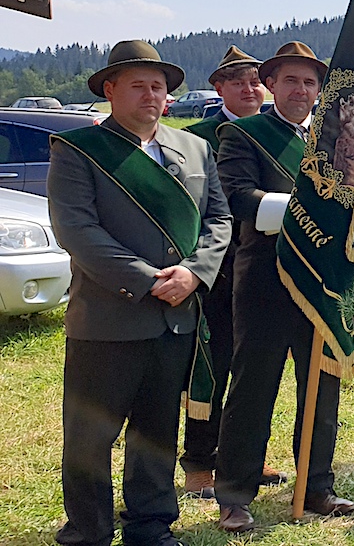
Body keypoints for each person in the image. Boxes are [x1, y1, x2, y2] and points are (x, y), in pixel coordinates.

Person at [49, 40, 233, 546]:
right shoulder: (79, 150)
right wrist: (147, 280)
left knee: (156, 430)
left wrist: (194, 273)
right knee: (91, 435)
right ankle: (87, 530)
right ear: (110, 90)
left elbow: (218, 219)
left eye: (158, 86)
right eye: (138, 85)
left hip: (176, 317)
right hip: (108, 318)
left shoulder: (195, 148)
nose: (151, 95)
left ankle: (150, 526)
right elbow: (77, 230)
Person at [214, 42, 353, 532]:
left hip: (324, 283)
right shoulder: (244, 133)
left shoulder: (335, 140)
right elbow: (237, 197)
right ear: (270, 84)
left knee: (323, 387)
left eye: (310, 82)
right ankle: (235, 494)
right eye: (291, 80)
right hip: (266, 280)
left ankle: (316, 486)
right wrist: (306, 209)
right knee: (253, 388)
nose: (301, 90)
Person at [179, 45, 275, 499]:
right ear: (218, 88)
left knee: (254, 369)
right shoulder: (198, 138)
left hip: (264, 268)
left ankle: (243, 456)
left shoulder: (277, 133)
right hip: (216, 267)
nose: (249, 89)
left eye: (255, 81)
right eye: (238, 82)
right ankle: (199, 462)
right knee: (211, 366)